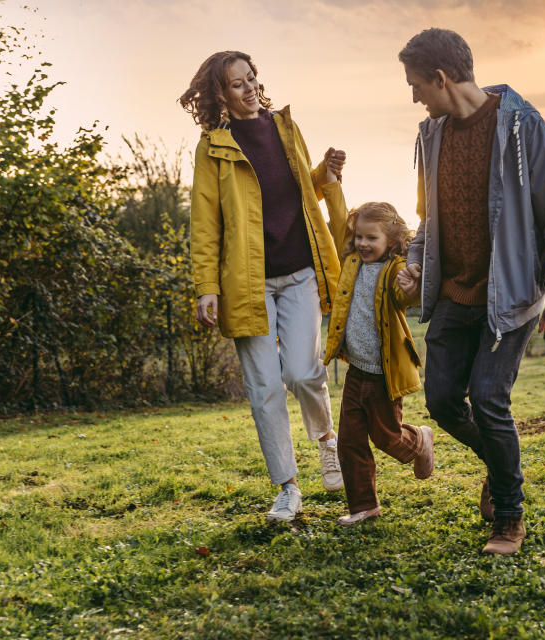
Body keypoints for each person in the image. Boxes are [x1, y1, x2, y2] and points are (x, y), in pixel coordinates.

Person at [396, 29, 545, 554]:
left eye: (416, 85)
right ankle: (500, 470)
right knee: (439, 399)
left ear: (441, 77)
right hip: (457, 293)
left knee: (488, 397)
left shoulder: (522, 127)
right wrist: (414, 262)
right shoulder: (431, 134)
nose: (413, 96)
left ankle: (509, 515)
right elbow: (425, 220)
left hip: (513, 294)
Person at [179, 51, 347, 523]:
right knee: (264, 387)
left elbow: (300, 191)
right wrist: (205, 287)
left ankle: (327, 441)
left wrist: (326, 173)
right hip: (246, 283)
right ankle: (287, 489)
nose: (250, 88)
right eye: (237, 84)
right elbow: (205, 222)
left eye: (252, 79)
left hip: (300, 274)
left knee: (301, 371)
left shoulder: (285, 128)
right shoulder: (213, 147)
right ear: (220, 94)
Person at [323, 201, 435, 526]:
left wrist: (411, 287)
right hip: (356, 372)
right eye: (359, 236)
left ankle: (419, 439)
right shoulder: (352, 262)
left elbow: (408, 296)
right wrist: (331, 181)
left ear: (391, 239)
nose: (363, 243)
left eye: (371, 238)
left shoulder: (396, 269)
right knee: (349, 441)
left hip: (384, 376)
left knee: (386, 437)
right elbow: (337, 218)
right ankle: (364, 505)